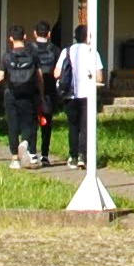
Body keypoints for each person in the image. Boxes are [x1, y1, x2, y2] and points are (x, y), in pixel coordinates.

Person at [51, 24, 102, 167]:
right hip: (87, 95)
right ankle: (82, 156)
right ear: (87, 37)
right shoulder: (93, 52)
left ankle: (72, 156)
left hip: (70, 94)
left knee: (73, 126)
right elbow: (99, 77)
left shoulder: (66, 51)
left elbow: (57, 73)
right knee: (86, 126)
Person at [0, 24, 47, 168]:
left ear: (11, 39)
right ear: (25, 37)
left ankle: (15, 159)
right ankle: (25, 142)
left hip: (11, 94)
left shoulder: (6, 56)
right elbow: (39, 77)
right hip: (28, 94)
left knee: (12, 124)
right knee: (29, 122)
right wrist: (42, 96)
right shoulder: (32, 55)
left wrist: (0, 74)